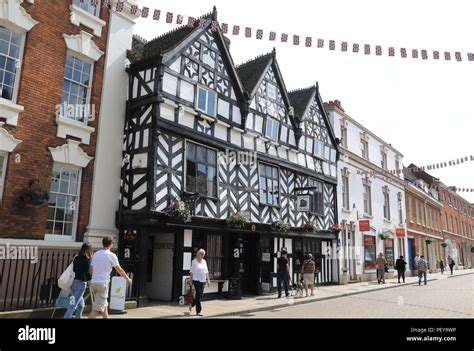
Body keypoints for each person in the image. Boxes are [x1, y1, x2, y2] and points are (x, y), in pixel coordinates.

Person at [89, 236, 132, 319]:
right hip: (102, 285)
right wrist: (128, 279)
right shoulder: (112, 255)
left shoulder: (96, 254)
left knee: (104, 309)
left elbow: (91, 269)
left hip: (94, 283)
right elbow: (120, 270)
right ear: (111, 244)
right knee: (96, 310)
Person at [64, 243, 93, 319]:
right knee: (72, 306)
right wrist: (90, 283)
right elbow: (87, 273)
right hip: (80, 285)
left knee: (81, 305)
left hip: (72, 283)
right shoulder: (87, 259)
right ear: (89, 250)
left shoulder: (76, 258)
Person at [189, 249, 211, 316]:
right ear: (198, 254)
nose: (203, 256)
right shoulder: (194, 262)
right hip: (196, 280)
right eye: (202, 254)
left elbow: (206, 271)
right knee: (198, 294)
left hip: (203, 280)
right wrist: (190, 281)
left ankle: (192, 304)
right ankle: (198, 311)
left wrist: (208, 280)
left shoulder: (204, 261)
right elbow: (191, 272)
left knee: (200, 295)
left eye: (204, 254)